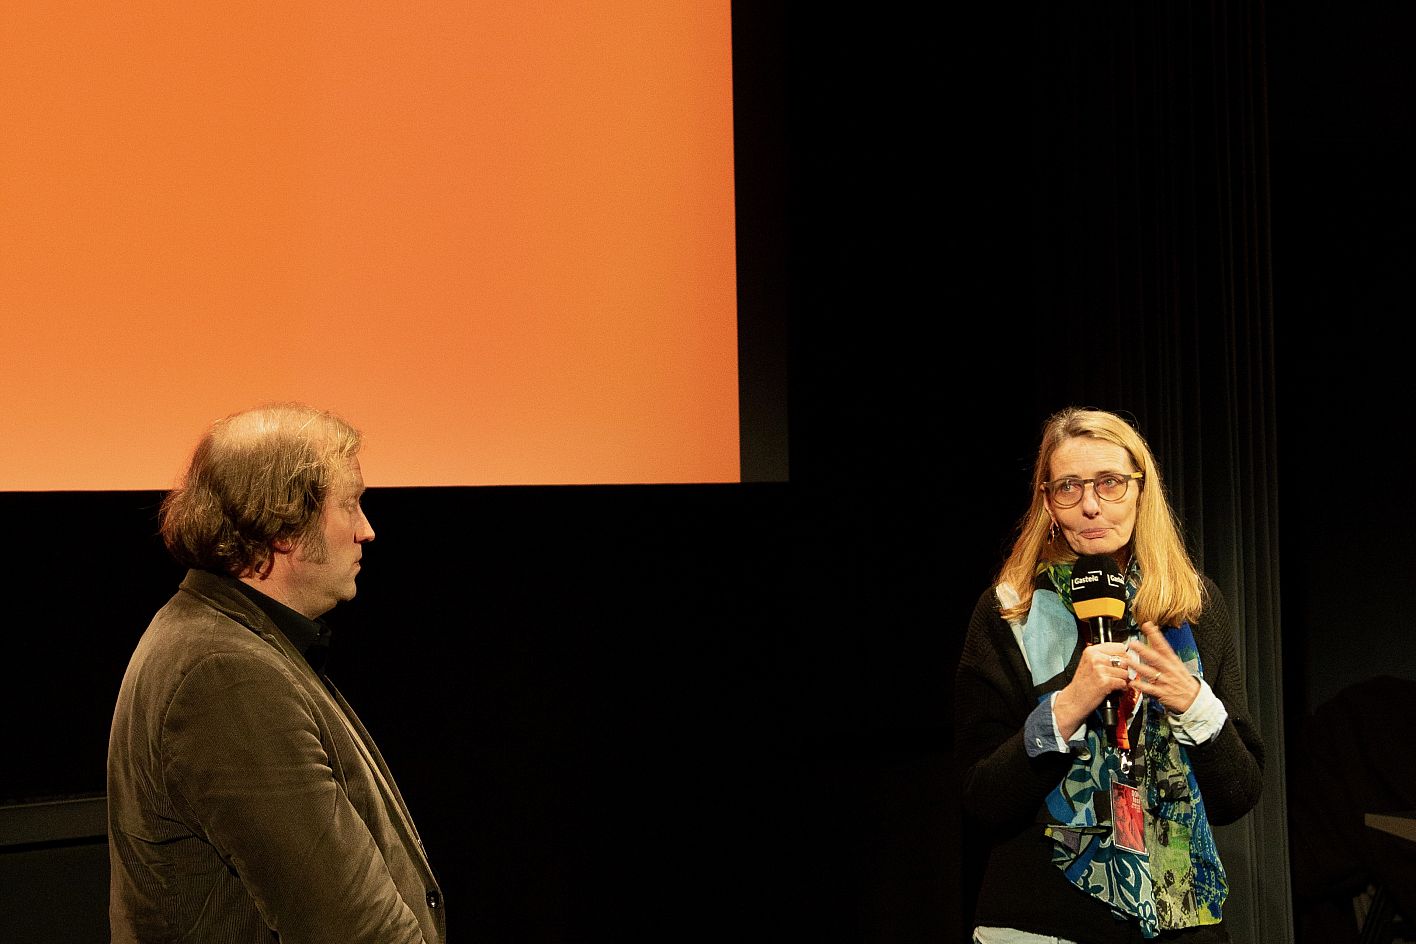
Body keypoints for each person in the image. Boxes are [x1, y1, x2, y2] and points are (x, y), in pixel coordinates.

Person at [107, 403, 445, 944]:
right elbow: (349, 928)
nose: (367, 530)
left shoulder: (225, 640)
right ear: (284, 523)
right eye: (350, 504)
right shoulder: (224, 675)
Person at [954, 407, 1264, 943]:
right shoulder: (1010, 611)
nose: (1091, 504)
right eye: (1069, 487)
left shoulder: (1191, 607)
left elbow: (1237, 797)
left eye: (1110, 483)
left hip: (1179, 916)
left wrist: (1194, 703)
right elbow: (982, 800)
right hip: (1042, 920)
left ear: (1141, 491)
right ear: (1047, 502)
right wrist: (1066, 708)